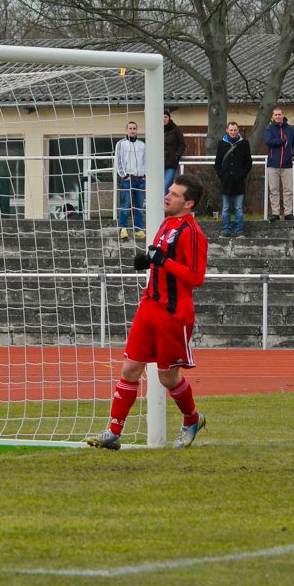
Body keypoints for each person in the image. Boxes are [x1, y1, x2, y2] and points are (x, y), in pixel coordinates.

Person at [87, 175, 209, 450]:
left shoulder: (192, 232)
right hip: (149, 306)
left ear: (188, 203)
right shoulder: (167, 223)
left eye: (175, 194)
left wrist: (163, 261)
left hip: (173, 313)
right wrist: (149, 260)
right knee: (130, 368)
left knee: (167, 377)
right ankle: (113, 432)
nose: (168, 196)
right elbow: (160, 259)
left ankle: (192, 419)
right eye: (169, 191)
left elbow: (196, 277)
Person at [214, 121, 251, 238]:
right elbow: (217, 163)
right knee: (225, 208)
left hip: (239, 182)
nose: (233, 132)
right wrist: (222, 175)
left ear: (238, 130)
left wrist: (242, 175)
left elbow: (248, 163)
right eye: (231, 130)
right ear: (227, 130)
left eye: (235, 130)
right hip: (226, 182)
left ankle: (239, 231)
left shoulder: (244, 144)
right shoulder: (221, 144)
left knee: (238, 208)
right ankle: (226, 230)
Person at [263, 106, 294, 220]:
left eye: (279, 114)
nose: (278, 116)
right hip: (273, 164)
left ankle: (288, 213)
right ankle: (275, 213)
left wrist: (291, 153)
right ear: (272, 116)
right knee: (274, 190)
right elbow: (268, 141)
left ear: (283, 115)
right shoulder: (269, 129)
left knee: (288, 190)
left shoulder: (290, 130)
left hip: (287, 164)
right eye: (276, 114)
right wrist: (282, 141)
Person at [114, 121, 145, 239]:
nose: (132, 130)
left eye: (134, 128)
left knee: (139, 206)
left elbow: (145, 160)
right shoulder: (121, 144)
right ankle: (123, 229)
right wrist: (124, 175)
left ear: (137, 130)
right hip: (127, 179)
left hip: (140, 179)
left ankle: (138, 229)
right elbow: (118, 161)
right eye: (130, 128)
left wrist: (145, 174)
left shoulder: (142, 145)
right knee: (125, 204)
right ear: (126, 130)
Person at [162, 110, 186, 194]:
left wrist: (176, 156)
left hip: (171, 163)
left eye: (166, 117)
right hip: (158, 164)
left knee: (165, 185)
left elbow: (182, 144)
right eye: (162, 117)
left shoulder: (175, 129)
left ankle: (164, 202)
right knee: (159, 186)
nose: (164, 119)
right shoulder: (156, 129)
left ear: (169, 118)